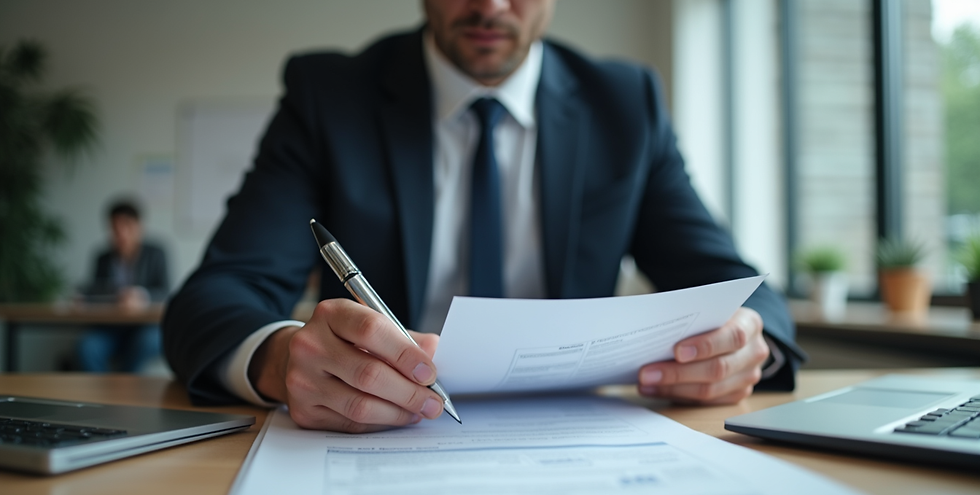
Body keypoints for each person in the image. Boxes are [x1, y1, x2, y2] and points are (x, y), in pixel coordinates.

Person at [163, 0, 805, 433]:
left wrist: (748, 345)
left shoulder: (624, 106)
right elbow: (215, 297)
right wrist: (279, 359)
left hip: (576, 445)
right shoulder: (329, 97)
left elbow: (734, 282)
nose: (491, 4)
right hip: (384, 436)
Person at [76, 199, 170, 372]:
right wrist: (84, 297)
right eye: (115, 228)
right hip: (110, 328)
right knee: (88, 347)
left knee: (150, 341)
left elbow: (166, 292)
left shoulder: (156, 253)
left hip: (144, 327)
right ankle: (101, 395)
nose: (122, 234)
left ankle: (124, 388)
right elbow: (94, 289)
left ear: (139, 227)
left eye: (127, 226)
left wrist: (142, 296)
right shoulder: (102, 257)